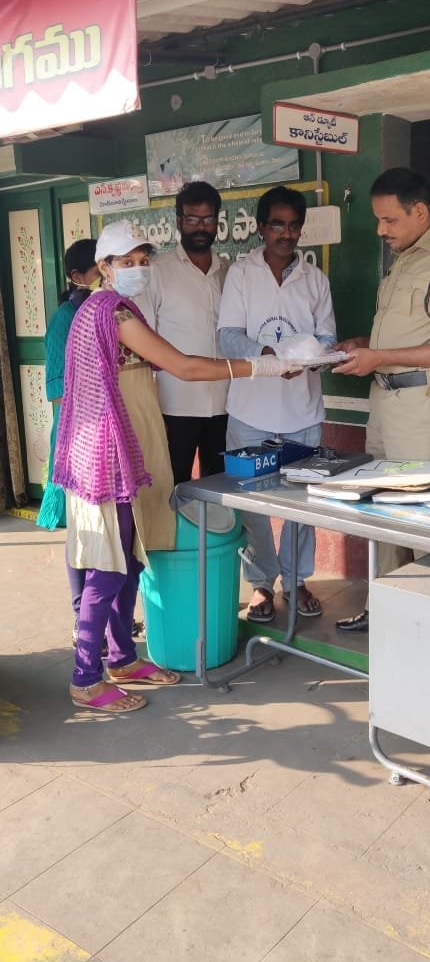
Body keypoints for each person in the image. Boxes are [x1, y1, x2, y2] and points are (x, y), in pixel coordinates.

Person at [53, 219, 295, 714]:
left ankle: (121, 658)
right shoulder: (114, 314)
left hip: (130, 447)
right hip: (110, 452)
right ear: (103, 268)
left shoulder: (106, 310)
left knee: (133, 559)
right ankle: (85, 677)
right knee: (109, 565)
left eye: (144, 263)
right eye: (128, 263)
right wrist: (262, 366)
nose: (139, 271)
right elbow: (183, 366)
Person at [332, 166, 430, 633]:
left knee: (419, 516)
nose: (381, 231)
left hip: (423, 404)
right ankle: (386, 609)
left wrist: (379, 354)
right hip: (384, 401)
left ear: (419, 212)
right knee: (381, 510)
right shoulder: (404, 257)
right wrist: (364, 344)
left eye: (389, 220)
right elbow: (408, 329)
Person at [218, 185, 336, 624]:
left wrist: (308, 358)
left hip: (303, 411)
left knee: (302, 503)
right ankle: (261, 585)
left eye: (293, 225)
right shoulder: (241, 274)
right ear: (261, 227)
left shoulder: (315, 279)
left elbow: (326, 339)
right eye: (277, 225)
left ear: (300, 228)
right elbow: (227, 335)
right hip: (250, 411)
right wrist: (267, 360)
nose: (286, 234)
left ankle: (296, 578)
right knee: (251, 504)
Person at [137, 181, 229, 484]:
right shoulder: (158, 273)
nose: (200, 227)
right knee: (173, 488)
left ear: (218, 221)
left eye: (208, 219)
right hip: (175, 406)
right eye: (192, 219)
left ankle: (215, 535)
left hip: (226, 404)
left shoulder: (231, 272)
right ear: (179, 221)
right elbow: (145, 342)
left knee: (222, 490)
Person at [37, 238, 100, 642]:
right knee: (82, 531)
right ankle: (83, 617)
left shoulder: (103, 311)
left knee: (104, 531)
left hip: (101, 435)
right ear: (77, 277)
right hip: (78, 438)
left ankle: (104, 615)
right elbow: (59, 391)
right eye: (101, 269)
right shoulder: (65, 320)